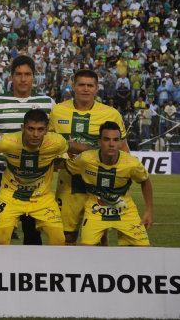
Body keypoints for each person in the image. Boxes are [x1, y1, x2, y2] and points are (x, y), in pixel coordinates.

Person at [0, 55, 55, 245]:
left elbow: (54, 136)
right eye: (19, 74)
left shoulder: (48, 103)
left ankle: (30, 273)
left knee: (32, 233)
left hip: (35, 178)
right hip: (0, 175)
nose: (23, 79)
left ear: (34, 77)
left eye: (27, 74)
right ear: (11, 77)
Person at [48, 69, 129, 246]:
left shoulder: (111, 114)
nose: (86, 89)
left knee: (99, 239)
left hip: (98, 187)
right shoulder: (58, 111)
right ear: (73, 86)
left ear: (97, 88)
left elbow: (124, 152)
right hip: (69, 185)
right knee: (67, 237)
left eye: (90, 85)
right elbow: (49, 145)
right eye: (81, 85)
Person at [0, 109, 89, 245]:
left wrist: (98, 153)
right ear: (23, 128)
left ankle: (46, 267)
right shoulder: (7, 142)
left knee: (59, 239)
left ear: (46, 130)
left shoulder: (56, 142)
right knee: (1, 239)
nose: (35, 134)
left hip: (42, 198)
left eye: (40, 129)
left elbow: (74, 147)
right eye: (31, 129)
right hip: (10, 196)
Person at [64, 121, 153, 246]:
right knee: (86, 252)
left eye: (116, 140)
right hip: (95, 212)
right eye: (107, 139)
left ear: (121, 143)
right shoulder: (86, 159)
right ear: (100, 142)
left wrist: (149, 210)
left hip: (125, 212)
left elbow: (145, 180)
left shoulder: (131, 163)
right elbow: (64, 165)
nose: (111, 144)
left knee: (145, 253)